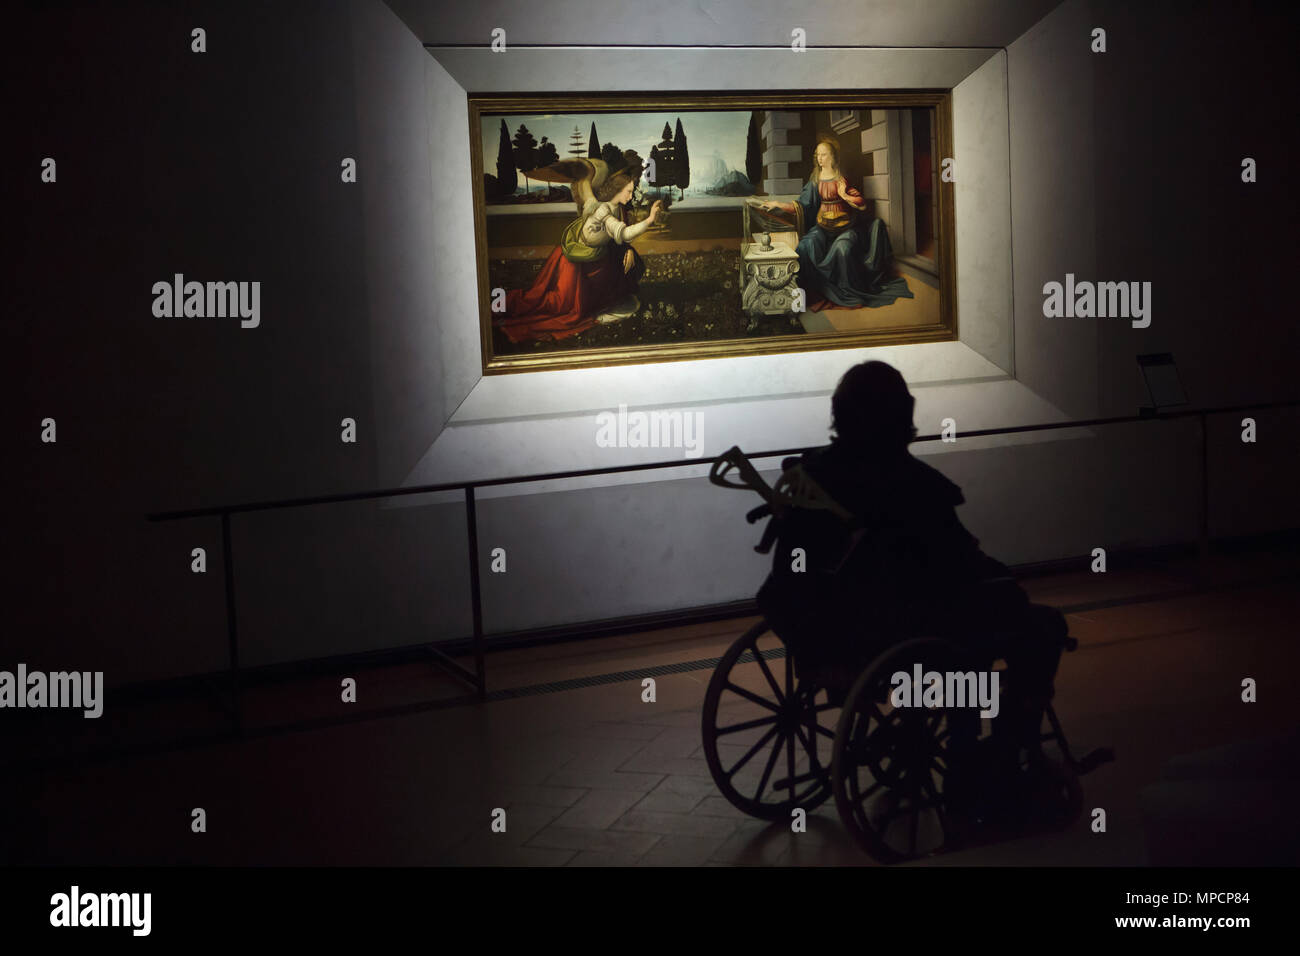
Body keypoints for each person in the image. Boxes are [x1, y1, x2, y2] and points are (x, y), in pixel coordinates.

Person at [757, 360, 1067, 795]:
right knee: (1037, 625)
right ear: (902, 414)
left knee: (951, 611)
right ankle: (1002, 751)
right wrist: (1004, 584)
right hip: (896, 632)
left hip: (825, 628)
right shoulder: (914, 486)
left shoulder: (812, 477)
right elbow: (960, 563)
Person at [495, 160, 663, 344]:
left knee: (578, 300)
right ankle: (506, 306)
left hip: (587, 260)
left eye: (632, 191)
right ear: (617, 190)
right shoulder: (604, 210)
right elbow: (624, 233)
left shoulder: (612, 208)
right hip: (572, 262)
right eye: (628, 191)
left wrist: (627, 249)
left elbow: (619, 238)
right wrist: (650, 219)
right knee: (557, 305)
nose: (631, 196)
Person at [750, 137, 913, 309]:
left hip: (846, 229)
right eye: (818, 155)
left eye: (824, 155)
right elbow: (802, 204)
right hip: (823, 228)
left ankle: (847, 291)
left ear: (833, 157)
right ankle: (806, 293)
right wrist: (778, 205)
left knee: (843, 250)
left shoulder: (841, 179)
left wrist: (844, 195)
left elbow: (861, 203)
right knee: (806, 246)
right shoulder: (815, 179)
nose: (820, 158)